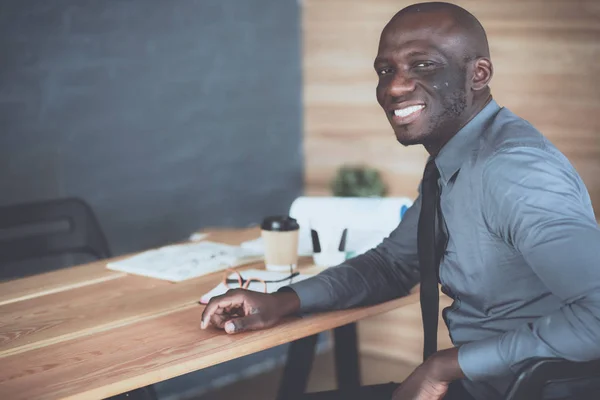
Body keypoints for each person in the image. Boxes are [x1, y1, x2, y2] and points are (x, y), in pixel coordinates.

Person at [201, 2, 600, 399]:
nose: (394, 87)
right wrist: (282, 302)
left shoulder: (514, 170)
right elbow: (392, 265)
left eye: (423, 65)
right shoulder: (453, 160)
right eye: (385, 70)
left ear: (478, 74)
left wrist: (444, 365)